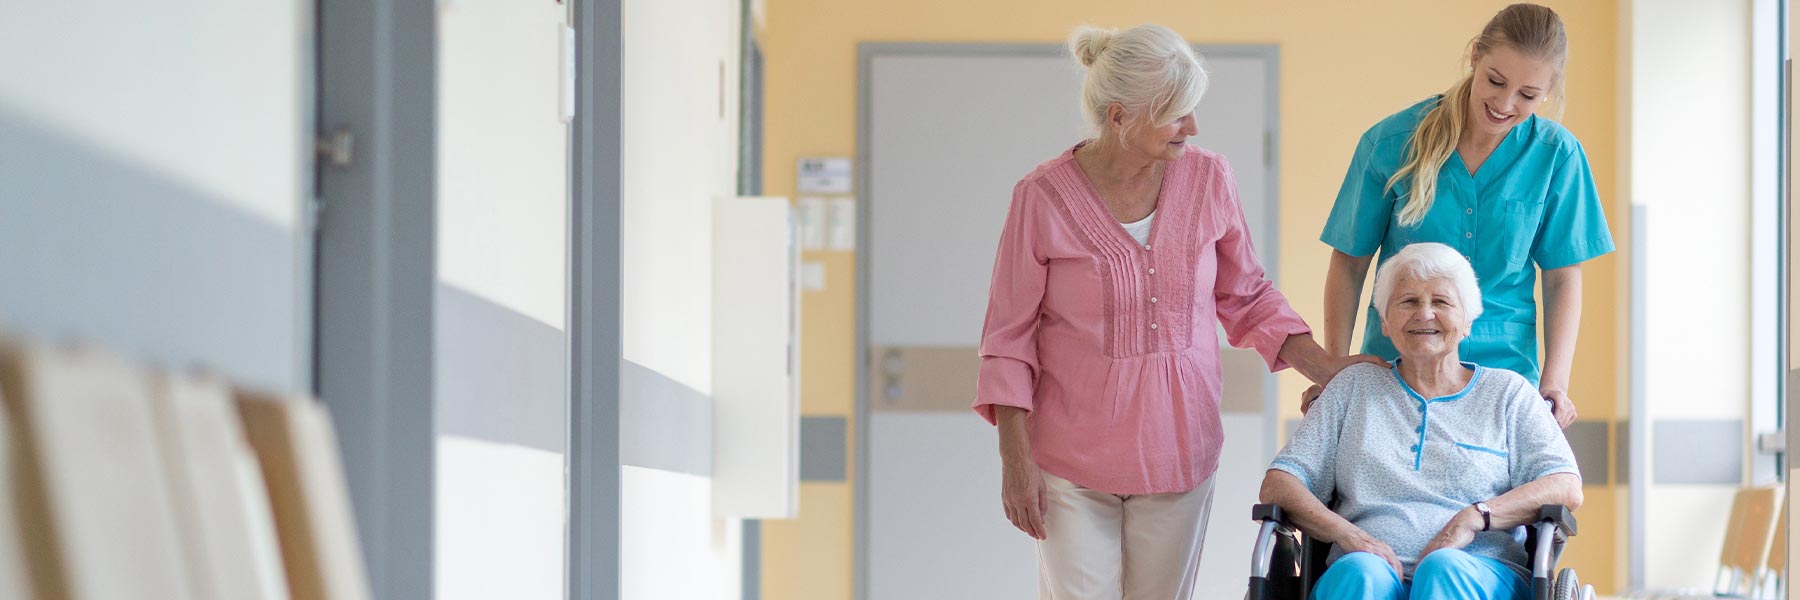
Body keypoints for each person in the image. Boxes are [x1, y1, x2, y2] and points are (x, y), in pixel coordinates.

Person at [974, 23, 1381, 599]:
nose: (1192, 128)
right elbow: (1008, 336)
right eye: (1176, 115)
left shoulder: (1209, 177)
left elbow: (1246, 294)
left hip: (1177, 452)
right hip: (1069, 460)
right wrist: (1015, 463)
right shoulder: (1041, 197)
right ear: (1119, 117)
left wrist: (1325, 367)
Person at [1312, 3, 1614, 428]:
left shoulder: (1557, 156)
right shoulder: (1391, 143)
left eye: (1528, 95)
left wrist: (1556, 381)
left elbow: (1563, 275)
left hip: (1504, 377)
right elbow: (1348, 263)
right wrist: (1335, 367)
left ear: (1548, 91)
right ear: (1475, 56)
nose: (1505, 104)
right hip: (1399, 370)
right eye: (1495, 80)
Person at [1261, 243, 1583, 600]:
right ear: (1384, 322)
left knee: (1443, 568)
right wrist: (1346, 534)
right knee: (1359, 571)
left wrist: (1476, 516)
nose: (1424, 314)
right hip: (1367, 568)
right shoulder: (1351, 389)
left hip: (1478, 571)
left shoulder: (1508, 394)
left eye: (1441, 302)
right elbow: (1279, 484)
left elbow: (1565, 484)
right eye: (1408, 302)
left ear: (1468, 321)